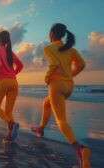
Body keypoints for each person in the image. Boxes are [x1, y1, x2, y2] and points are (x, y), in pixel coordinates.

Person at [30, 23, 90, 168]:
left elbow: (54, 64)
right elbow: (81, 64)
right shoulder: (71, 49)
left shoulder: (48, 48)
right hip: (69, 86)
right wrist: (70, 75)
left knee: (60, 120)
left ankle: (79, 149)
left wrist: (47, 78)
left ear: (51, 34)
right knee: (46, 103)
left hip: (56, 85)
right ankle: (41, 128)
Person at [0, 31, 23, 143]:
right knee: (8, 111)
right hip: (14, 82)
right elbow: (21, 65)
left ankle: (11, 124)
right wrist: (13, 74)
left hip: (3, 82)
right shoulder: (11, 52)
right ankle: (10, 136)